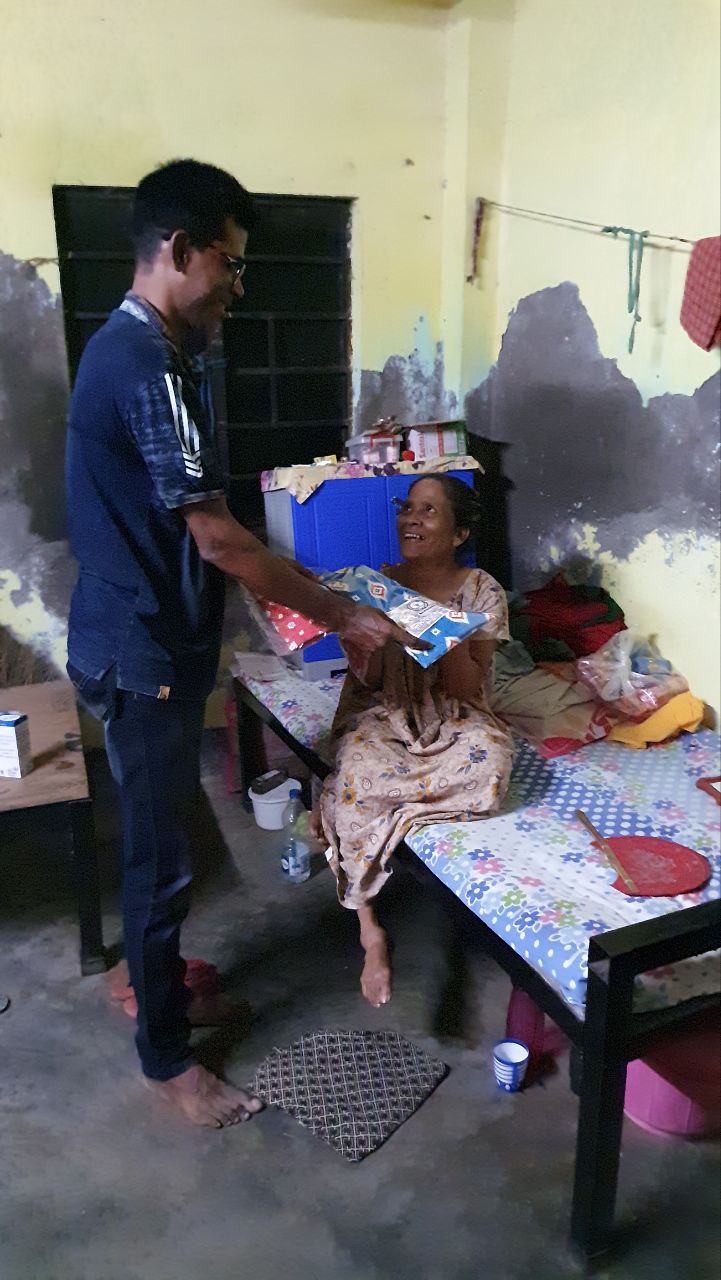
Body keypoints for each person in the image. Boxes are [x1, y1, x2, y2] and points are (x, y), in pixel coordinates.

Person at [65, 158, 425, 1128]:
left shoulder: (147, 350)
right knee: (159, 862)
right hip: (139, 654)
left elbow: (204, 530)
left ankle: (152, 985)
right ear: (179, 250)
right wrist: (341, 613)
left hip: (140, 639)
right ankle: (167, 1061)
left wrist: (302, 597)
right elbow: (218, 540)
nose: (235, 286)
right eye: (228, 263)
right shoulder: (145, 365)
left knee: (162, 839)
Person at [312, 475, 514, 1008]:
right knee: (358, 777)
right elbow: (370, 680)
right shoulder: (377, 584)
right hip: (387, 709)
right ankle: (370, 930)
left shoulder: (482, 592)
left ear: (459, 533)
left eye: (428, 511)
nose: (411, 519)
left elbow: (465, 688)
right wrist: (370, 634)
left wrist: (446, 632)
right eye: (407, 508)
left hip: (452, 711)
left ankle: (387, 810)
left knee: (490, 766)